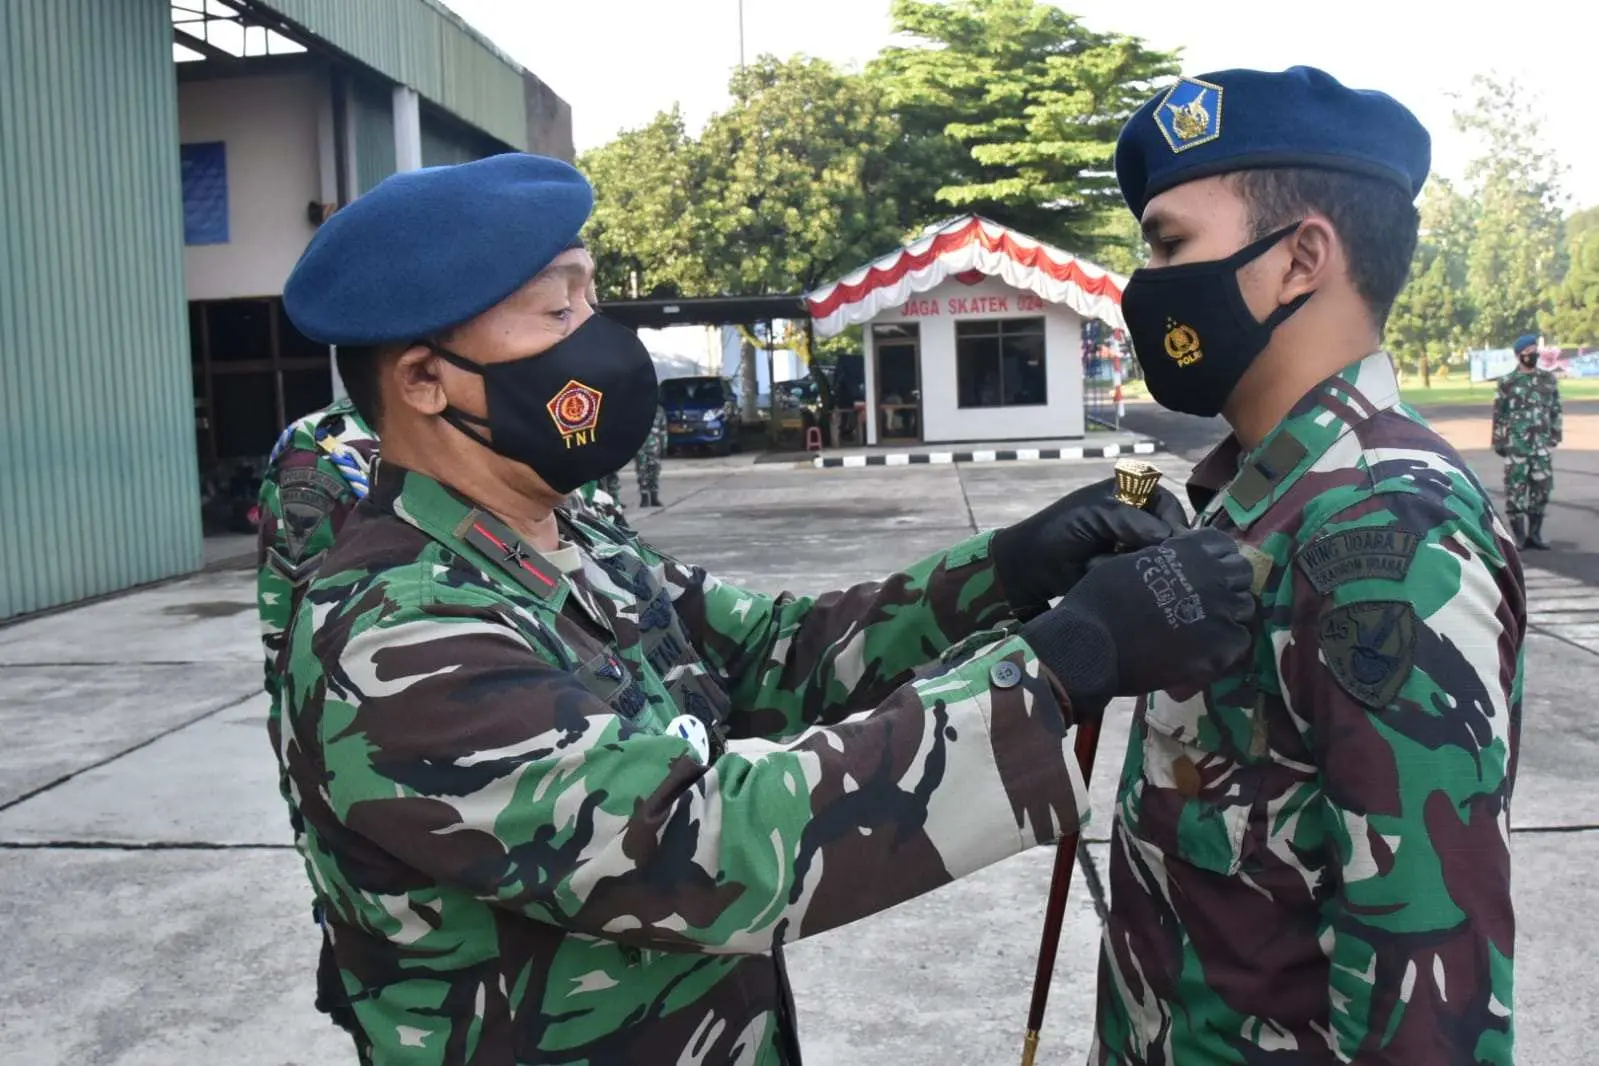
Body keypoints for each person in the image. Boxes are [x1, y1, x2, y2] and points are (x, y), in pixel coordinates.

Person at [271, 152, 1258, 1065]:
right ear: (425, 381)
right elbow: (695, 841)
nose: (599, 339)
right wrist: (1064, 661)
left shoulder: (575, 534)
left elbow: (775, 657)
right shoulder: (395, 631)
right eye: (555, 312)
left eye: (590, 295)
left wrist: (1009, 566)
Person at [1093, 67, 1525, 1065]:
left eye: (1169, 245)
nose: (1144, 286)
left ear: (1301, 260)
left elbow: (1429, 981)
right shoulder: (1261, 493)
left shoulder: (1381, 527)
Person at [255, 396, 633, 1037]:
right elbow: (305, 649)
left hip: (581, 761)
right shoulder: (324, 451)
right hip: (423, 782)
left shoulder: (548, 420)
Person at [1493, 332, 1562, 550]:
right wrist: (1499, 441)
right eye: (1527, 352)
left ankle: (1535, 534)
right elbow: (1499, 414)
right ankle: (1520, 537)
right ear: (1519, 355)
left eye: (1534, 351)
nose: (1532, 355)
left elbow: (1555, 409)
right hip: (1516, 447)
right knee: (1515, 493)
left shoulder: (1548, 379)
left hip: (1540, 447)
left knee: (1542, 490)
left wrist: (1555, 435)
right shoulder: (1507, 382)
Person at [634, 400, 668, 507]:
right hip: (641, 448)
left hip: (655, 447)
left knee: (654, 472)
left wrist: (664, 445)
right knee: (642, 472)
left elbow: (663, 429)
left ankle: (654, 497)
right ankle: (644, 497)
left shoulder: (659, 410)